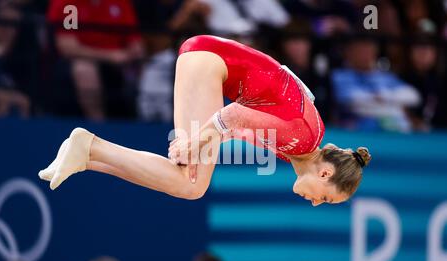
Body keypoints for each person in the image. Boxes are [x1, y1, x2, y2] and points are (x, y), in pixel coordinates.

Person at [39, 35, 371, 206]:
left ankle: (87, 157)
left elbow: (238, 124)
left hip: (212, 61)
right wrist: (194, 143)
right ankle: (88, 147)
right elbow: (234, 114)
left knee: (191, 182)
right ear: (325, 172)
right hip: (210, 62)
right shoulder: (300, 139)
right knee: (192, 183)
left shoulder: (300, 146)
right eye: (325, 197)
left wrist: (202, 142)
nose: (315, 203)